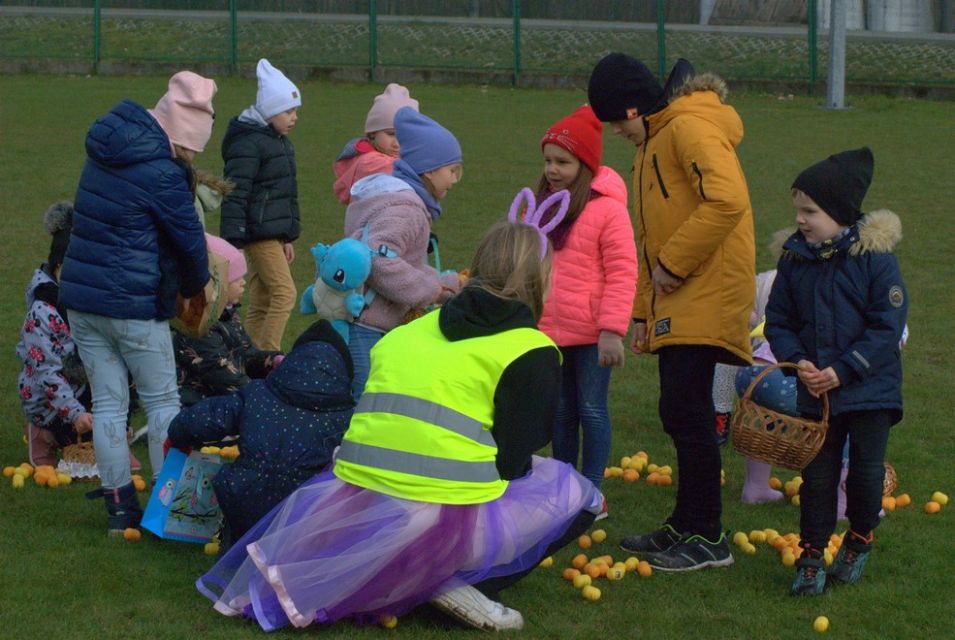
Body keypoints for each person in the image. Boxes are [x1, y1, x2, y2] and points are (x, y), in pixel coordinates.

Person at [196, 216, 601, 632]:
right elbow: (514, 459)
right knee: (579, 496)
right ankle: (449, 578)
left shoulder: (409, 330)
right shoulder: (530, 348)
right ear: (538, 281)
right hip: (440, 507)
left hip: (352, 494)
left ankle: (413, 568)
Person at [588, 53, 755, 570]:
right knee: (678, 410)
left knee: (688, 409)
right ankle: (685, 523)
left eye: (616, 118)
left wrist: (673, 264)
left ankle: (708, 537)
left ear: (635, 108)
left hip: (708, 289)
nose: (615, 130)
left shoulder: (687, 129)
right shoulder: (654, 143)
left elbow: (726, 201)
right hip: (681, 293)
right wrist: (644, 313)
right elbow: (650, 240)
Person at [59, 71, 214, 533]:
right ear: (181, 135)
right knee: (163, 400)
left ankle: (119, 507)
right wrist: (196, 287)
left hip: (84, 301)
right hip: (134, 306)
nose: (189, 158)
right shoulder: (163, 172)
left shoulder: (106, 152)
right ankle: (170, 507)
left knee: (108, 404)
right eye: (191, 149)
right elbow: (190, 243)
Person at [765, 147, 907, 596]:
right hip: (817, 394)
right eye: (798, 210)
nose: (801, 220)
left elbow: (888, 326)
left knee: (864, 476)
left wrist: (844, 370)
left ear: (841, 213)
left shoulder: (875, 259)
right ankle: (810, 558)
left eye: (810, 211)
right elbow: (779, 320)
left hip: (870, 392)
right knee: (817, 478)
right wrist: (798, 361)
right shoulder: (793, 260)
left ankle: (860, 537)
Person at [167, 319, 353, 547]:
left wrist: (178, 434)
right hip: (306, 504)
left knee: (238, 550)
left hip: (245, 493)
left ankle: (233, 564)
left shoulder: (257, 395)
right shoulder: (348, 414)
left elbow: (203, 419)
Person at [534, 105, 637, 512]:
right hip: (549, 331)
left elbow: (623, 270)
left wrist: (612, 329)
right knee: (560, 412)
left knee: (592, 410)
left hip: (593, 335)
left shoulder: (607, 209)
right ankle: (563, 488)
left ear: (586, 164)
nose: (553, 169)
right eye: (548, 160)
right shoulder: (541, 205)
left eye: (563, 161)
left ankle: (592, 493)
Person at [343, 106, 463, 401]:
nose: (455, 179)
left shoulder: (400, 201)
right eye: (452, 171)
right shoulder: (406, 209)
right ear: (430, 170)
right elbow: (379, 259)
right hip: (368, 324)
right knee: (365, 402)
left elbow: (404, 261)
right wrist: (428, 290)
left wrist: (443, 283)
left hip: (373, 321)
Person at [220, 58, 302, 351]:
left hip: (271, 234)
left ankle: (245, 352)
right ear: (269, 111)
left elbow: (284, 194)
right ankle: (269, 355)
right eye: (288, 111)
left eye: (296, 111)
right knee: (285, 293)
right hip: (258, 234)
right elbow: (236, 192)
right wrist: (233, 240)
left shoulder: (278, 141)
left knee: (264, 297)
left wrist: (286, 236)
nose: (294, 117)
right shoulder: (249, 144)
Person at [172, 234, 282, 407]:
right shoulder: (198, 329)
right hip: (202, 410)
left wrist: (274, 360)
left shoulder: (228, 315)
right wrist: (268, 399)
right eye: (235, 279)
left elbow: (246, 355)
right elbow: (224, 375)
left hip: (225, 404)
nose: (243, 283)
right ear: (214, 285)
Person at [333, 83, 419, 204]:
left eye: (406, 136)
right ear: (373, 133)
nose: (397, 143)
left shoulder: (385, 155)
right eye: (390, 134)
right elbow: (411, 171)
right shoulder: (370, 162)